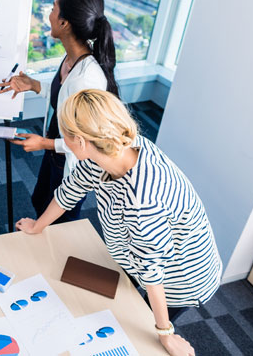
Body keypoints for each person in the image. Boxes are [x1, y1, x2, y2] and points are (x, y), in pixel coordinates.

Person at [16, 89, 222, 356]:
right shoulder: (106, 149)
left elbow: (153, 273)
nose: (61, 138)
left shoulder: (142, 200)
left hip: (180, 277)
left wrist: (166, 334)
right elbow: (71, 191)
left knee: (136, 334)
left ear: (79, 141)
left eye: (63, 132)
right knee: (118, 299)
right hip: (143, 259)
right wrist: (37, 226)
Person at [0, 0, 118, 223]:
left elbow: (87, 143)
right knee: (41, 203)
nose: (48, 14)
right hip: (55, 153)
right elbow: (63, 95)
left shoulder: (86, 79)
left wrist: (44, 143)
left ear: (64, 23)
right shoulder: (72, 59)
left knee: (61, 224)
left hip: (71, 162)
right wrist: (32, 84)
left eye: (53, 9)